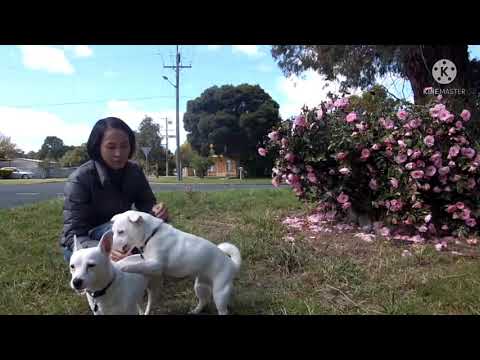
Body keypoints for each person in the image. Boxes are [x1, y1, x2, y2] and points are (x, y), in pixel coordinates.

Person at [60, 117, 169, 263]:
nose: (119, 153)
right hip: (88, 243)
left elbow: (147, 205)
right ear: (97, 146)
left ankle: (139, 254)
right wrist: (106, 249)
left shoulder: (134, 171)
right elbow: (73, 235)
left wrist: (156, 212)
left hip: (121, 232)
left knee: (161, 229)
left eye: (124, 146)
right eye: (111, 147)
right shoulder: (80, 179)